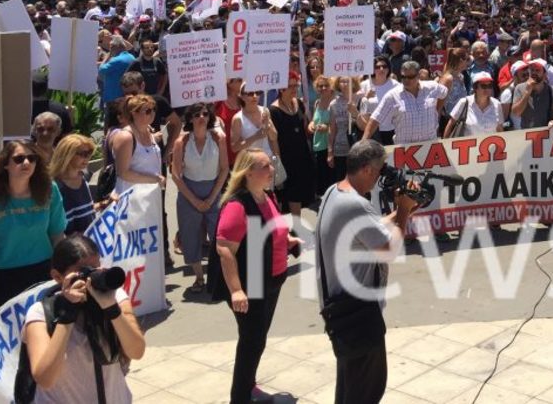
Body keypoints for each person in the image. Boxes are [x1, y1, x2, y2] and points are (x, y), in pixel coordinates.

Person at [316, 139, 420, 404]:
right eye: (378, 171)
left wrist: (399, 211)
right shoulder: (355, 205)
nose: (379, 179)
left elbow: (369, 228)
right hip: (357, 314)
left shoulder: (334, 192)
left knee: (350, 390)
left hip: (342, 310)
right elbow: (389, 250)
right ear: (366, 170)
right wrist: (405, 213)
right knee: (366, 391)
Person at [214, 148, 301, 404]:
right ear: (248, 172)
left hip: (272, 278)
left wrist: (287, 239)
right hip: (250, 282)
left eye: (270, 165)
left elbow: (272, 229)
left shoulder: (267, 196)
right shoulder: (236, 206)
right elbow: (224, 250)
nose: (271, 170)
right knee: (252, 341)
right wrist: (236, 290)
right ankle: (240, 397)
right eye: (265, 166)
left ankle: (248, 386)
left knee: (258, 339)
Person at [22, 235, 146, 402]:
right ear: (58, 277)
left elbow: (136, 351)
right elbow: (45, 378)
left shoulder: (115, 298)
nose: (90, 279)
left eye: (95, 269)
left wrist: (111, 308)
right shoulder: (40, 313)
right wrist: (66, 316)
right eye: (82, 272)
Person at [0, 139, 66, 310]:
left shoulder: (50, 190)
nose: (26, 163)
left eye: (32, 158)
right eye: (19, 159)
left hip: (44, 272)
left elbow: (57, 236)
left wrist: (65, 273)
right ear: (5, 164)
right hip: (3, 279)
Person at [171, 102, 228, 296]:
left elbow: (224, 169)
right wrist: (194, 200)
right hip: (189, 192)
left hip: (213, 190)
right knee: (190, 235)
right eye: (196, 115)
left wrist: (212, 197)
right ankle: (198, 276)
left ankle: (220, 274)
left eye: (204, 114)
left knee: (219, 235)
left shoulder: (218, 138)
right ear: (190, 119)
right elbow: (176, 175)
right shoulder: (182, 142)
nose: (201, 117)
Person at [363, 60, 450, 144]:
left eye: (410, 77)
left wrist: (437, 110)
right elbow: (375, 119)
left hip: (430, 147)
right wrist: (363, 143)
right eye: (403, 77)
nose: (406, 80)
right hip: (405, 151)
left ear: (418, 76)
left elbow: (444, 92)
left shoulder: (432, 87)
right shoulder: (393, 96)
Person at [271, 75, 315, 222]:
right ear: (281, 89)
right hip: (287, 158)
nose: (294, 89)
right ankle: (297, 228)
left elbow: (305, 126)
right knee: (292, 194)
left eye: (296, 86)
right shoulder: (273, 110)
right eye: (291, 86)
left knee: (303, 193)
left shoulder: (300, 104)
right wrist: (278, 161)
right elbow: (274, 139)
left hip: (303, 154)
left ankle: (298, 225)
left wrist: (311, 126)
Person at [110, 94, 165, 197]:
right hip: (132, 197)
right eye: (148, 111)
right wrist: (154, 179)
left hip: (151, 195)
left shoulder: (149, 132)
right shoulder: (126, 137)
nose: (152, 113)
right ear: (134, 113)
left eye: (153, 109)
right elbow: (123, 173)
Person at [49, 134, 101, 236]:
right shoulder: (55, 187)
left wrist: (104, 204)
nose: (87, 158)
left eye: (89, 153)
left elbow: (86, 211)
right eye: (83, 154)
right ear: (67, 155)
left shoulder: (84, 177)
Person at [309, 75, 335, 195]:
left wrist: (327, 127)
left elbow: (341, 124)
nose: (323, 88)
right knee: (322, 179)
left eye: (326, 85)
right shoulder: (317, 103)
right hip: (319, 145)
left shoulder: (335, 102)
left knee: (332, 179)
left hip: (332, 146)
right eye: (320, 86)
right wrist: (311, 126)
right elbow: (314, 121)